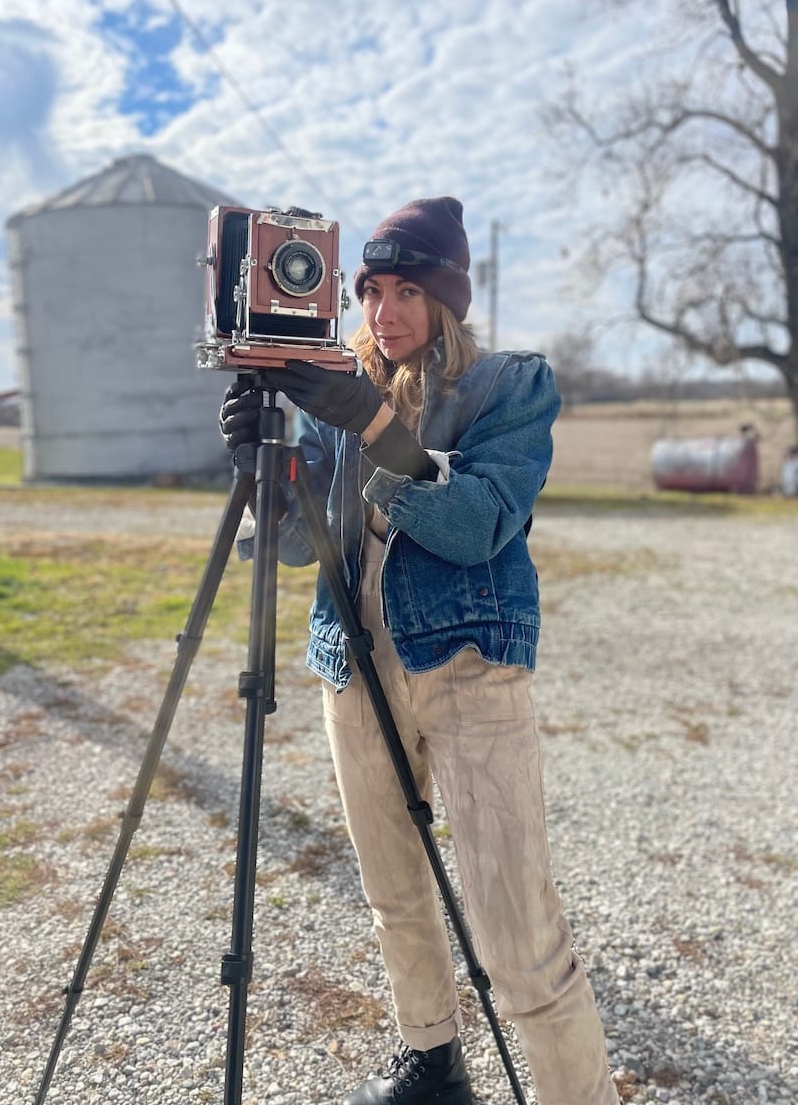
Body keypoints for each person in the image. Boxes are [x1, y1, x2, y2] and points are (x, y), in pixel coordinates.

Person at [219, 197, 618, 1105]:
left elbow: (478, 524)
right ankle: (433, 1063)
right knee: (395, 893)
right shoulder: (336, 390)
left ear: (448, 299)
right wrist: (257, 465)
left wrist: (373, 426)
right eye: (369, 291)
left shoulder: (508, 387)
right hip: (352, 666)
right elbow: (289, 544)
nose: (384, 312)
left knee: (517, 936)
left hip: (470, 669)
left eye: (407, 290)